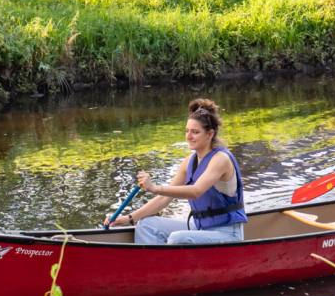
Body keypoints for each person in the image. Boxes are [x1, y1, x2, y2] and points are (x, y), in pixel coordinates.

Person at [105, 99, 246, 245]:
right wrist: (128, 219)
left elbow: (195, 191)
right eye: (187, 131)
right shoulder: (189, 162)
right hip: (200, 228)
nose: (188, 136)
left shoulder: (220, 159)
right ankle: (153, 266)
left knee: (177, 239)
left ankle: (165, 266)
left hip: (227, 233)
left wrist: (154, 187)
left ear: (210, 134)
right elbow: (163, 199)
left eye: (195, 132)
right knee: (146, 225)